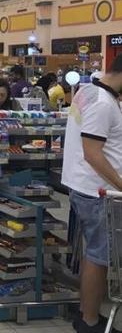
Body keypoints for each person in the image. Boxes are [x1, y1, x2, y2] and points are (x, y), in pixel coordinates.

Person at [61, 54, 122, 333]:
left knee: (94, 255)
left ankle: (87, 311)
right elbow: (92, 153)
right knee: (100, 257)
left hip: (84, 187)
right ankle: (90, 322)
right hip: (97, 192)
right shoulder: (101, 103)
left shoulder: (88, 90)